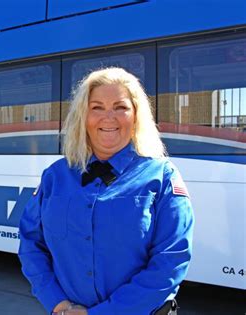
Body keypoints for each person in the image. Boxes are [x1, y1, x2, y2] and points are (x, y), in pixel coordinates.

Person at [18, 67, 194, 315]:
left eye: (120, 107)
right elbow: (31, 242)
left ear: (135, 116)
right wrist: (57, 303)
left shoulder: (163, 176)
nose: (108, 117)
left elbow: (171, 259)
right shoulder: (55, 176)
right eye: (96, 107)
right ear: (83, 117)